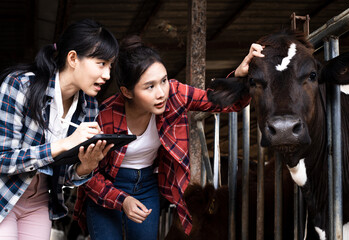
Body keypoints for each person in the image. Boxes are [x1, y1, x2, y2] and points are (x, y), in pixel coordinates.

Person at [74, 35, 264, 240]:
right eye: (149, 86)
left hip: (146, 186)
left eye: (163, 81)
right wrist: (123, 200)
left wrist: (241, 75)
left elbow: (218, 102)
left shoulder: (174, 93)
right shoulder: (105, 116)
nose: (161, 93)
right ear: (127, 92)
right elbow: (87, 174)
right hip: (107, 187)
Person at [0, 19, 119, 240]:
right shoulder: (20, 86)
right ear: (73, 58)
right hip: (4, 195)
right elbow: (3, 160)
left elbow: (63, 177)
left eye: (110, 66)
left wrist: (85, 167)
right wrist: (64, 144)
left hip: (38, 202)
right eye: (101, 63)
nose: (108, 75)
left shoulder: (89, 106)